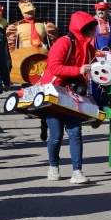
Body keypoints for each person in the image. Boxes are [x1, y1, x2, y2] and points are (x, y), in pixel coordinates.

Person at [37, 10, 97, 184]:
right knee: (56, 135)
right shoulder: (63, 42)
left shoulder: (89, 46)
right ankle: (53, 167)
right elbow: (54, 67)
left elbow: (96, 69)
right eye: (92, 28)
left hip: (74, 94)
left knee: (75, 133)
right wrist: (78, 70)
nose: (94, 31)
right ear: (83, 28)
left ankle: (77, 171)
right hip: (54, 93)